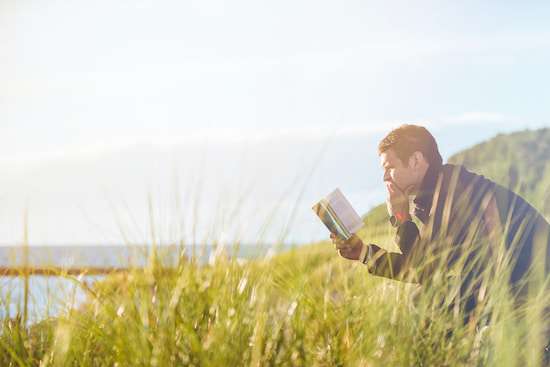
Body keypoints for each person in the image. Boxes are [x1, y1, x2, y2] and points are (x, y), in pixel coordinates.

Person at [331, 124, 550, 359]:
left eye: (389, 167)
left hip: (532, 294)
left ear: (416, 160)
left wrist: (400, 218)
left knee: (426, 301)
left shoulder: (453, 193)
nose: (384, 177)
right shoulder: (438, 190)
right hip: (510, 288)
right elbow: (426, 263)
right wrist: (364, 252)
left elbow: (423, 268)